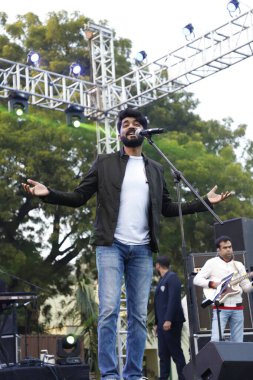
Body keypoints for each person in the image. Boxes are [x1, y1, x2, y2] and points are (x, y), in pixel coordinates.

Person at [22, 108, 230, 380]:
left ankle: (132, 375)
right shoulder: (105, 162)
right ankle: (109, 375)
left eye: (136, 124)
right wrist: (48, 194)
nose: (130, 127)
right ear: (119, 132)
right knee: (109, 311)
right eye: (125, 124)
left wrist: (203, 202)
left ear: (144, 130)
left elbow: (167, 207)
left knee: (138, 317)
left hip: (143, 250)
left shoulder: (155, 169)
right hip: (111, 246)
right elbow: (78, 196)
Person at [193, 235, 253, 342]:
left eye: (230, 247)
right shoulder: (212, 263)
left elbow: (246, 288)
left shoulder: (239, 265)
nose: (228, 249)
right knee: (216, 341)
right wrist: (213, 284)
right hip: (220, 307)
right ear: (218, 250)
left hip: (238, 308)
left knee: (238, 343)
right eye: (225, 248)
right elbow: (196, 279)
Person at [154, 256, 186, 380]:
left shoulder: (172, 278)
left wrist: (168, 319)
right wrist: (157, 323)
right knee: (163, 353)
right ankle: (163, 377)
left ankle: (183, 377)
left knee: (175, 352)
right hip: (162, 323)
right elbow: (158, 304)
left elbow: (174, 300)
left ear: (158, 265)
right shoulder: (162, 280)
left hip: (171, 322)